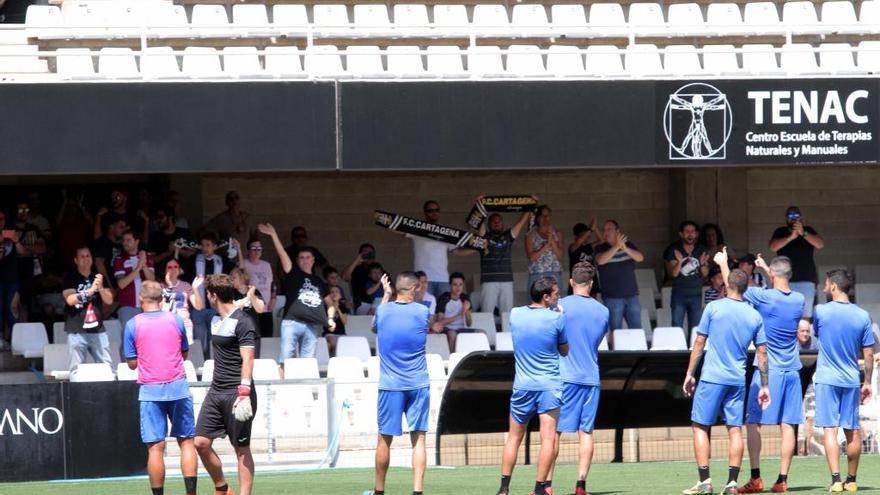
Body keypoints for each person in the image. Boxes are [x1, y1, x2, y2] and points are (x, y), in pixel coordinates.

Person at [715, 248, 804, 494]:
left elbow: (732, 285)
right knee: (788, 426)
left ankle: (756, 478)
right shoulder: (798, 299)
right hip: (793, 370)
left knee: (753, 422)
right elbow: (781, 282)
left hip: (769, 369)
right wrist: (767, 268)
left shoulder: (763, 297)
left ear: (772, 274)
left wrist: (723, 263)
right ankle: (782, 480)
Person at [682, 264, 770, 495]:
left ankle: (705, 481)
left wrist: (690, 373)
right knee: (734, 429)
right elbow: (762, 352)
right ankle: (731, 483)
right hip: (737, 379)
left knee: (700, 426)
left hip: (712, 377)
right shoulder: (754, 314)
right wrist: (764, 384)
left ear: (727, 285)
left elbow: (700, 342)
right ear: (746, 288)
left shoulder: (714, 307)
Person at [122, 280, 198, 495]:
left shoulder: (132, 324)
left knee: (155, 448)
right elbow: (184, 354)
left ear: (141, 299)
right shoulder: (176, 320)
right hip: (178, 387)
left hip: (150, 390)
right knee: (186, 442)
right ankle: (191, 493)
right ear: (163, 299)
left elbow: (132, 363)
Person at [497, 277, 568, 495]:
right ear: (546, 297)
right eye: (555, 293)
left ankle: (504, 488)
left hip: (523, 385)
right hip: (548, 386)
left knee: (513, 437)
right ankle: (539, 489)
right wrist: (560, 315)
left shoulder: (516, 314)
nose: (558, 296)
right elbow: (564, 351)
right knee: (547, 438)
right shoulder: (557, 319)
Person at [194, 273, 258, 495]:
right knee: (200, 442)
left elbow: (248, 359)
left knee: (241, 449)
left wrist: (244, 392)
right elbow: (224, 308)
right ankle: (222, 487)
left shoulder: (244, 322)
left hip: (237, 391)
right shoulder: (215, 319)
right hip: (216, 391)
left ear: (213, 295)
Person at [813, 269, 874, 492]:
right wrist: (867, 381)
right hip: (850, 379)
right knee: (852, 430)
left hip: (827, 379)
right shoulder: (862, 315)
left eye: (826, 285)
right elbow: (868, 354)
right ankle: (852, 480)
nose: (824, 288)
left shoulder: (820, 310)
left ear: (834, 287)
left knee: (830, 430)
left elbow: (818, 334)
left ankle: (836, 480)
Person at [370, 271, 431, 495]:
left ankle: (379, 490)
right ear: (413, 289)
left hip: (390, 385)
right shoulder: (423, 311)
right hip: (418, 383)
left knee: (384, 439)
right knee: (419, 439)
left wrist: (386, 296)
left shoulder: (383, 310)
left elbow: (374, 327)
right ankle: (417, 491)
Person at [552, 262, 608, 495]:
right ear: (592, 284)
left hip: (564, 377)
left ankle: (547, 485)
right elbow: (596, 341)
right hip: (590, 377)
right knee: (586, 432)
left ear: (571, 282)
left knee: (552, 432)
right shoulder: (603, 311)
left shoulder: (559, 306)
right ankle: (581, 485)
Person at [261, 223, 335, 362]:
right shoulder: (293, 274)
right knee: (285, 360)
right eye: (301, 258)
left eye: (308, 257)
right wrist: (273, 235)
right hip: (292, 323)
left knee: (307, 362)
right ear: (297, 261)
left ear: (313, 260)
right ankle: (282, 384)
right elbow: (282, 254)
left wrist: (330, 318)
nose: (305, 260)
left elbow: (330, 304)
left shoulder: (319, 281)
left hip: (313, 325)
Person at [460, 199, 532, 317]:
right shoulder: (484, 236)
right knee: (486, 313)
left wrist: (530, 206)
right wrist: (479, 203)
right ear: (489, 224)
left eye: (499, 221)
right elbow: (480, 221)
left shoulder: (508, 236)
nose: (497, 223)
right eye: (494, 221)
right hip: (489, 281)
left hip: (507, 280)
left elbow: (520, 223)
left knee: (507, 314)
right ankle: (485, 335)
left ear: (503, 224)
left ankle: (507, 335)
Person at [62, 247, 114, 370]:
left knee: (106, 367)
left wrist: (100, 287)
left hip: (98, 329)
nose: (86, 259)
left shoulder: (99, 277)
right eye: (82, 256)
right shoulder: (70, 277)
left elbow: (109, 300)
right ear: (76, 260)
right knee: (76, 369)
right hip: (76, 329)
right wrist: (90, 291)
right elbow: (70, 300)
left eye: (88, 256)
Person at [769, 206, 825, 318]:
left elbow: (820, 244)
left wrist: (803, 233)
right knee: (784, 314)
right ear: (786, 218)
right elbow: (773, 247)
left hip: (806, 278)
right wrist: (790, 237)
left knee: (805, 315)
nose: (793, 218)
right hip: (784, 280)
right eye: (790, 216)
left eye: (796, 215)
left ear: (801, 217)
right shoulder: (780, 231)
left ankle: (803, 335)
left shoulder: (808, 230)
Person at [190, 232, 237, 359]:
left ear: (215, 246)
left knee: (215, 339)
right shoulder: (194, 260)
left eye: (208, 245)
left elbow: (239, 270)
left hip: (216, 308)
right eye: (203, 245)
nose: (205, 248)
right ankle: (200, 365)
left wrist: (240, 251)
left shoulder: (222, 261)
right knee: (198, 339)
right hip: (198, 307)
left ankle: (213, 364)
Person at [406, 201, 467, 297]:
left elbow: (458, 251)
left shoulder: (446, 232)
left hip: (442, 278)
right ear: (425, 213)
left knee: (443, 310)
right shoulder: (417, 229)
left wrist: (477, 248)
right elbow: (398, 230)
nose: (434, 212)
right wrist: (385, 220)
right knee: (425, 309)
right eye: (430, 210)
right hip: (423, 279)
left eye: (436, 210)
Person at [594, 220, 645, 330]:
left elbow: (640, 258)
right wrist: (616, 247)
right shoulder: (600, 248)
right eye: (604, 230)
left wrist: (625, 248)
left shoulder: (629, 245)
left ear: (617, 231)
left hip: (632, 295)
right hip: (612, 297)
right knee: (615, 332)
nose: (606, 232)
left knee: (637, 330)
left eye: (609, 229)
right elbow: (601, 261)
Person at [665, 221, 710, 330]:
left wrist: (702, 263)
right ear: (681, 234)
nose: (690, 234)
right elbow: (673, 274)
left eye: (693, 231)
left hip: (696, 294)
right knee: (676, 327)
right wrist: (680, 262)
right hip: (679, 294)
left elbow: (705, 274)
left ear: (697, 234)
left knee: (695, 328)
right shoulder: (674, 250)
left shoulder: (701, 249)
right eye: (687, 231)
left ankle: (693, 347)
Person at [114, 229, 156, 332]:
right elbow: (121, 284)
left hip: (146, 305)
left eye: (128, 240)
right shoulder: (119, 259)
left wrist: (144, 264)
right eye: (123, 240)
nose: (125, 243)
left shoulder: (147, 257)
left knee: (146, 338)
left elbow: (152, 280)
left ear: (137, 241)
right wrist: (138, 267)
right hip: (128, 306)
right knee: (129, 339)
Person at [161, 259, 203, 345]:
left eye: (176, 267)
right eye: (170, 267)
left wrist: (195, 289)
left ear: (179, 270)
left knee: (185, 355)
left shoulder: (186, 285)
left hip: (184, 324)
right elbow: (159, 307)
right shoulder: (160, 286)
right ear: (165, 270)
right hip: (166, 325)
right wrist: (170, 287)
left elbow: (198, 307)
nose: (173, 269)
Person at [241, 237, 275, 339]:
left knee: (267, 337)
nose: (257, 251)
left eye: (259, 249)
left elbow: (272, 283)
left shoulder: (267, 265)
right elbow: (241, 276)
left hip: (267, 307)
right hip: (251, 308)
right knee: (252, 338)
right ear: (248, 251)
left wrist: (273, 297)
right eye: (253, 248)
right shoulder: (244, 263)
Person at [525, 205, 564, 291]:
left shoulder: (557, 233)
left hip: (555, 274)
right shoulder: (531, 235)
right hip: (537, 274)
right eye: (543, 216)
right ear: (538, 218)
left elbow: (560, 256)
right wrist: (546, 245)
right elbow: (531, 257)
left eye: (548, 215)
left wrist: (552, 240)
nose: (546, 218)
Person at [431, 272, 473, 351]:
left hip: (461, 328)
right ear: (450, 285)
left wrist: (466, 311)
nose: (458, 287)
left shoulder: (465, 298)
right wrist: (459, 316)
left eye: (460, 284)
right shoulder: (444, 298)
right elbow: (440, 322)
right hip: (447, 328)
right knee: (452, 334)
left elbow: (469, 323)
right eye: (455, 284)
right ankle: (451, 360)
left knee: (481, 332)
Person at [231, 267, 267, 358]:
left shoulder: (255, 292)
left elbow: (260, 309)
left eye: (234, 278)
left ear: (242, 278)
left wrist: (252, 296)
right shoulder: (231, 293)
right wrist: (247, 298)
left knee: (254, 363)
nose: (231, 280)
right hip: (236, 335)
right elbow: (233, 308)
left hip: (253, 334)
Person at [0, 211, 24, 348]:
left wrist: (17, 241)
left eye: (2, 218)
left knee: (12, 308)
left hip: (11, 278)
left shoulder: (10, 234)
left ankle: (16, 340)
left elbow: (21, 252)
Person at [149, 207, 194, 276]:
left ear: (170, 217)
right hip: (162, 278)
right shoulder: (154, 236)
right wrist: (168, 252)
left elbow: (192, 255)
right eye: (156, 218)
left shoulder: (184, 233)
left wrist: (177, 249)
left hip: (184, 277)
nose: (158, 220)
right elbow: (151, 261)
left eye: (161, 217)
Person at [93, 213, 126, 289]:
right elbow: (99, 264)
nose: (124, 230)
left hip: (120, 286)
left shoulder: (122, 244)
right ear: (111, 227)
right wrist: (109, 287)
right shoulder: (103, 242)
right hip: (107, 289)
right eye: (121, 227)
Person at [568, 220, 600, 296]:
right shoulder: (573, 247)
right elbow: (579, 241)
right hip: (578, 285)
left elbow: (601, 241)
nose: (586, 237)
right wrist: (590, 230)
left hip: (591, 284)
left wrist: (595, 229)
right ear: (576, 236)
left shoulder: (589, 247)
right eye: (583, 234)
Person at [342, 243, 376, 312]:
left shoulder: (377, 268)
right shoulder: (356, 268)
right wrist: (357, 261)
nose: (368, 255)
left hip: (376, 302)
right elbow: (344, 277)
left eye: (371, 253)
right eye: (366, 253)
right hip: (361, 303)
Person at [325, 285, 349, 357]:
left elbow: (344, 322)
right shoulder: (326, 307)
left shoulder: (342, 307)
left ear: (340, 295)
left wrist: (338, 308)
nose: (334, 293)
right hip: (329, 333)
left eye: (337, 292)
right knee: (333, 342)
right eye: (332, 292)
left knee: (345, 343)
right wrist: (334, 304)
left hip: (341, 334)